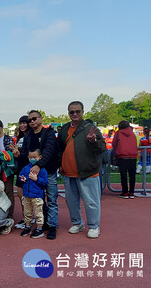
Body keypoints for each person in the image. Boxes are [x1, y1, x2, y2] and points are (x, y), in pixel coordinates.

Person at [57, 101, 106, 239]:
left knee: (91, 201)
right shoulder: (65, 128)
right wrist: (60, 164)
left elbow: (102, 148)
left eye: (77, 111)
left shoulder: (90, 128)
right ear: (68, 113)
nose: (75, 114)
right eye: (72, 112)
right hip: (68, 172)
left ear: (83, 112)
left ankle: (94, 225)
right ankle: (77, 223)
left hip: (88, 172)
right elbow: (59, 149)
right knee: (71, 201)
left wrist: (93, 141)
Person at [12, 110, 59, 240]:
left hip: (47, 171)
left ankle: (53, 226)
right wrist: (19, 155)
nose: (32, 122)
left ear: (40, 119)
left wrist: (39, 165)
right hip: (33, 173)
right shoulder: (28, 136)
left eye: (34, 119)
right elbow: (28, 155)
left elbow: (49, 150)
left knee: (51, 199)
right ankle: (42, 224)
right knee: (39, 200)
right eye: (30, 120)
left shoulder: (48, 133)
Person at [18, 149, 48, 239]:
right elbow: (20, 176)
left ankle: (39, 229)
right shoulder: (26, 168)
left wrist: (37, 179)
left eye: (34, 157)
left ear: (40, 157)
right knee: (27, 212)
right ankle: (28, 227)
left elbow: (45, 183)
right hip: (27, 195)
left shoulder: (42, 170)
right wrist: (22, 178)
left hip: (37, 195)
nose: (32, 159)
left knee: (38, 213)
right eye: (30, 157)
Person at [112, 120, 138, 199]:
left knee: (123, 175)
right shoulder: (132, 133)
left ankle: (125, 192)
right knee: (132, 175)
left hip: (122, 156)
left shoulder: (118, 133)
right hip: (133, 156)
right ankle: (132, 192)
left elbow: (114, 143)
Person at [13, 115, 29, 230]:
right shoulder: (19, 137)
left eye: (25, 123)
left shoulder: (31, 136)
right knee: (21, 194)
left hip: (28, 168)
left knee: (26, 195)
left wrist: (20, 153)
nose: (22, 125)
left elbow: (31, 153)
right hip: (20, 168)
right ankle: (27, 217)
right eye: (21, 123)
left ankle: (27, 219)